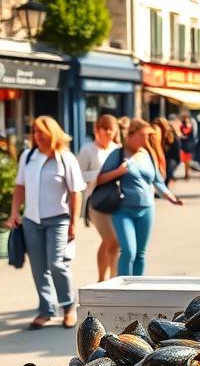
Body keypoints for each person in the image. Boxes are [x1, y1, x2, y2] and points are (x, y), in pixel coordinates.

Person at [6, 116, 86, 329]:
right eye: (35, 132)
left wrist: (73, 222)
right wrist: (15, 212)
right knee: (38, 267)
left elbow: (75, 192)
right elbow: (20, 187)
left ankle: (68, 307)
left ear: (53, 133)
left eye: (42, 132)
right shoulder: (28, 156)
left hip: (59, 220)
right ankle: (46, 309)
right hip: (32, 220)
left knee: (56, 263)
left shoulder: (66, 158)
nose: (37, 136)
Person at [96, 119, 182, 276]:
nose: (146, 139)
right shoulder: (118, 154)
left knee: (141, 253)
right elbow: (100, 179)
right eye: (143, 135)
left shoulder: (147, 154)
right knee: (129, 251)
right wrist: (118, 172)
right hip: (123, 210)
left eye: (148, 136)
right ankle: (122, 291)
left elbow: (157, 181)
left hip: (147, 209)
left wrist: (170, 196)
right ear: (130, 134)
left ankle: (137, 288)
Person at [77, 114, 120, 282]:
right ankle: (112, 278)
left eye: (112, 129)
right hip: (95, 202)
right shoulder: (87, 149)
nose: (109, 133)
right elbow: (79, 176)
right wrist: (103, 175)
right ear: (97, 130)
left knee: (108, 241)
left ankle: (103, 279)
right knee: (112, 240)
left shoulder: (117, 148)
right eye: (106, 129)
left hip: (115, 201)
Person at [154, 117, 181, 187]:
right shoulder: (157, 134)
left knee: (169, 168)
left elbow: (176, 150)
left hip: (172, 158)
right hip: (164, 157)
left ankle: (165, 186)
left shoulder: (171, 134)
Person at [177, 111, 196, 180]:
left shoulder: (192, 126)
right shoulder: (182, 126)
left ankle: (188, 173)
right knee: (185, 161)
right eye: (184, 118)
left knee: (188, 161)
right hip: (184, 145)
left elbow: (193, 136)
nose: (185, 120)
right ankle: (186, 173)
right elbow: (180, 134)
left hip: (190, 145)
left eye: (186, 118)